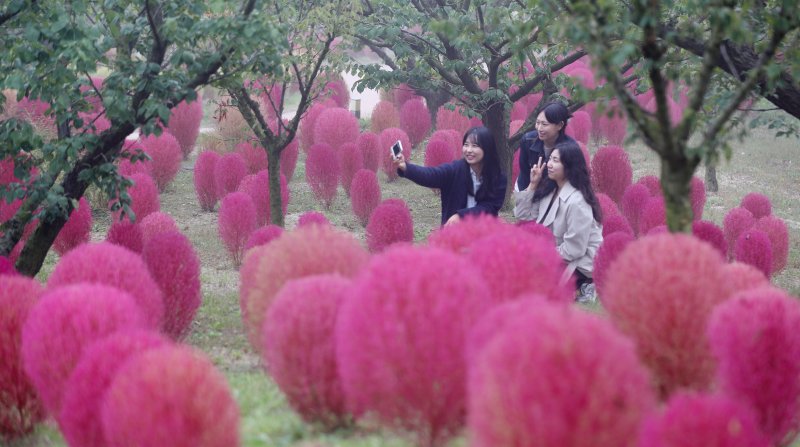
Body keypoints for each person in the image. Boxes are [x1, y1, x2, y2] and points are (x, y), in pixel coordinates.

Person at [513, 140, 603, 302]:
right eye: (550, 159)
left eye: (556, 161)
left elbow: (574, 250)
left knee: (532, 285)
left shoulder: (577, 202)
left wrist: (541, 255)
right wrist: (532, 185)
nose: (549, 164)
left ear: (569, 166)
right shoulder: (550, 189)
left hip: (578, 264)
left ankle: (587, 285)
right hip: (557, 255)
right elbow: (524, 218)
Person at [394, 126, 507, 226]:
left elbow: (490, 208)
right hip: (453, 234)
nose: (468, 150)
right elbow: (431, 175)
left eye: (475, 146)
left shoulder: (498, 177)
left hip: (483, 233)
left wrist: (461, 216)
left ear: (487, 148)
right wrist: (406, 167)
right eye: (466, 145)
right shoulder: (455, 169)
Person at [516, 102, 576, 191]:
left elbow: (572, 181)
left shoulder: (570, 149)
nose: (539, 128)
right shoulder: (527, 141)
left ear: (560, 125)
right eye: (537, 123)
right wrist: (525, 197)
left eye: (544, 124)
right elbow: (524, 174)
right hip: (529, 187)